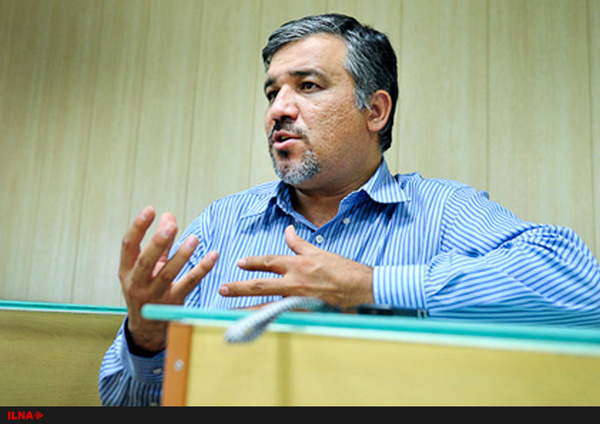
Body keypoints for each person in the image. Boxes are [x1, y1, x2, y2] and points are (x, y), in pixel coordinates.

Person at [99, 13, 600, 406]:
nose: (278, 109)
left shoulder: (442, 210)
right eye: (273, 92)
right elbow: (121, 402)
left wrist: (370, 286)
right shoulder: (220, 224)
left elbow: (580, 287)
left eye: (307, 86)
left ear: (375, 111)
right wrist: (146, 339)